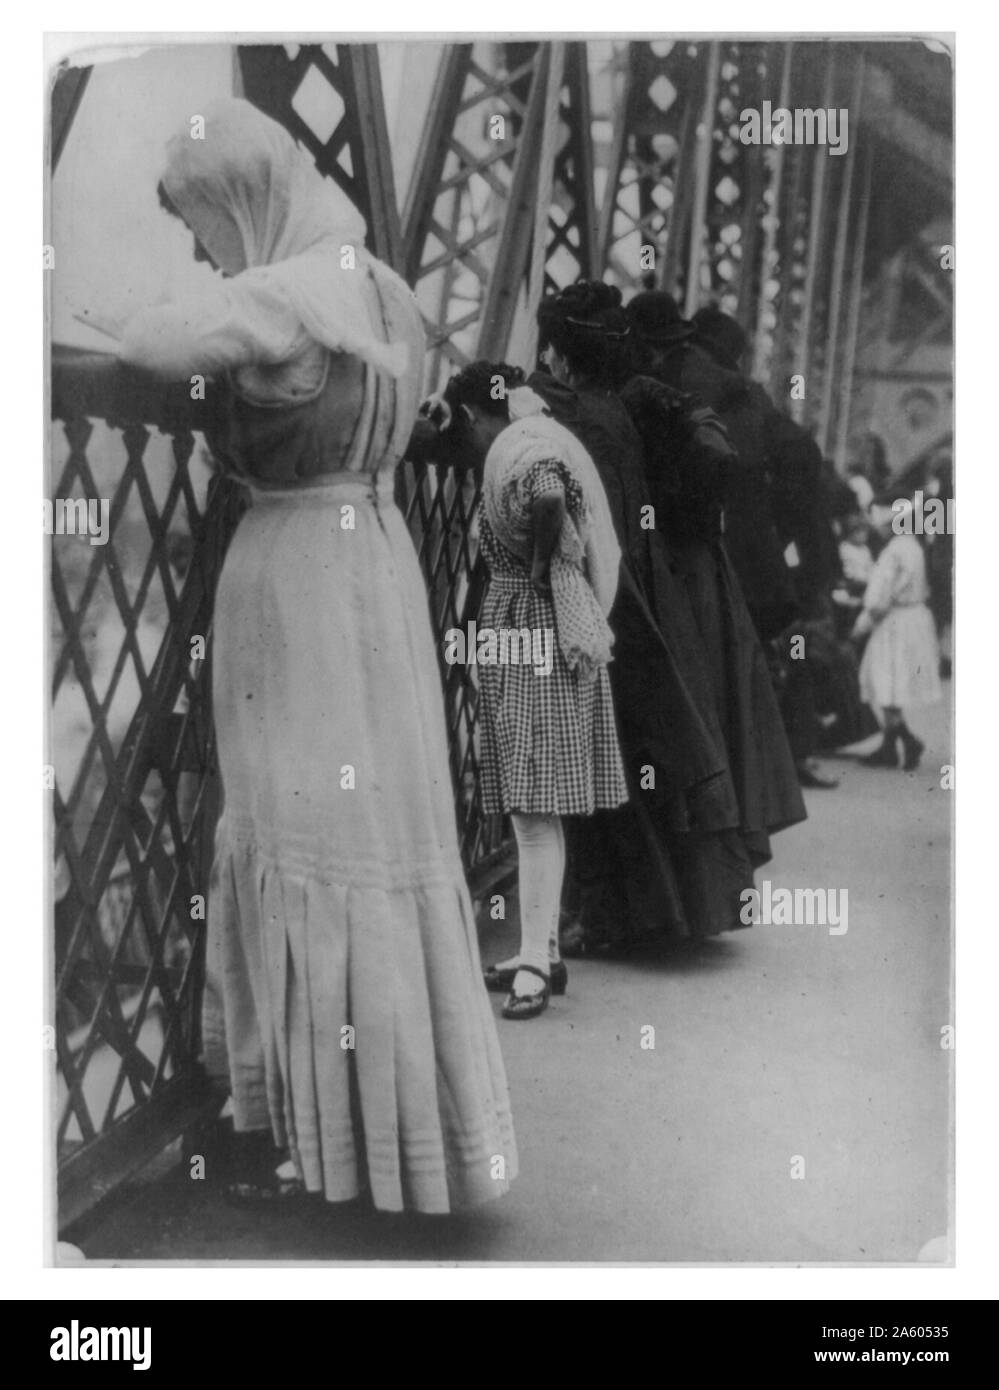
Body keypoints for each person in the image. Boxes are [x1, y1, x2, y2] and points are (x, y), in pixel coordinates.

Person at [114, 98, 516, 1213]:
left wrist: (183, 296)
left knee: (302, 835)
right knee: (372, 828)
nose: (203, 252)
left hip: (294, 576)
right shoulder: (374, 283)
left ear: (242, 200)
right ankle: (388, 1138)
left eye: (204, 224)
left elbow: (157, 341)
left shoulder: (289, 296)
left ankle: (315, 1140)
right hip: (371, 564)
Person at [530, 283, 766, 954]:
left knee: (611, 751)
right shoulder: (622, 408)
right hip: (645, 588)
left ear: (565, 355)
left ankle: (612, 917)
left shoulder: (579, 419)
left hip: (605, 596)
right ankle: (651, 912)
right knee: (643, 751)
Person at [424, 363, 628, 1014]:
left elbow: (545, 496)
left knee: (532, 808)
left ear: (479, 418)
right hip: (538, 629)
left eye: (465, 433)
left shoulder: (522, 447)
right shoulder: (538, 432)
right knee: (535, 803)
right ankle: (542, 948)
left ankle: (534, 967)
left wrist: (537, 572)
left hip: (530, 629)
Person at [852, 501, 942, 770]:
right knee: (892, 683)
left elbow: (880, 598)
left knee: (884, 678)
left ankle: (903, 740)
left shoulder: (894, 552)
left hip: (895, 622)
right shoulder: (913, 546)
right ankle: (892, 744)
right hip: (913, 618)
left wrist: (862, 624)